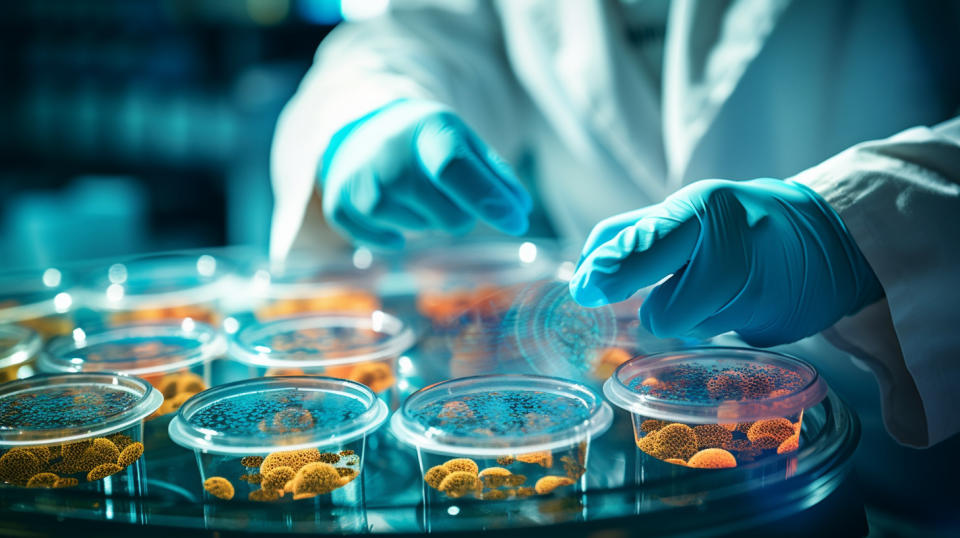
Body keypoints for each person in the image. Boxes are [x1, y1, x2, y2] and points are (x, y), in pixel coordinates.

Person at [270, 0, 960, 455]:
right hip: (623, 432)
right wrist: (368, 114)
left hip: (911, 445)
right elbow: (415, 32)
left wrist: (854, 227)